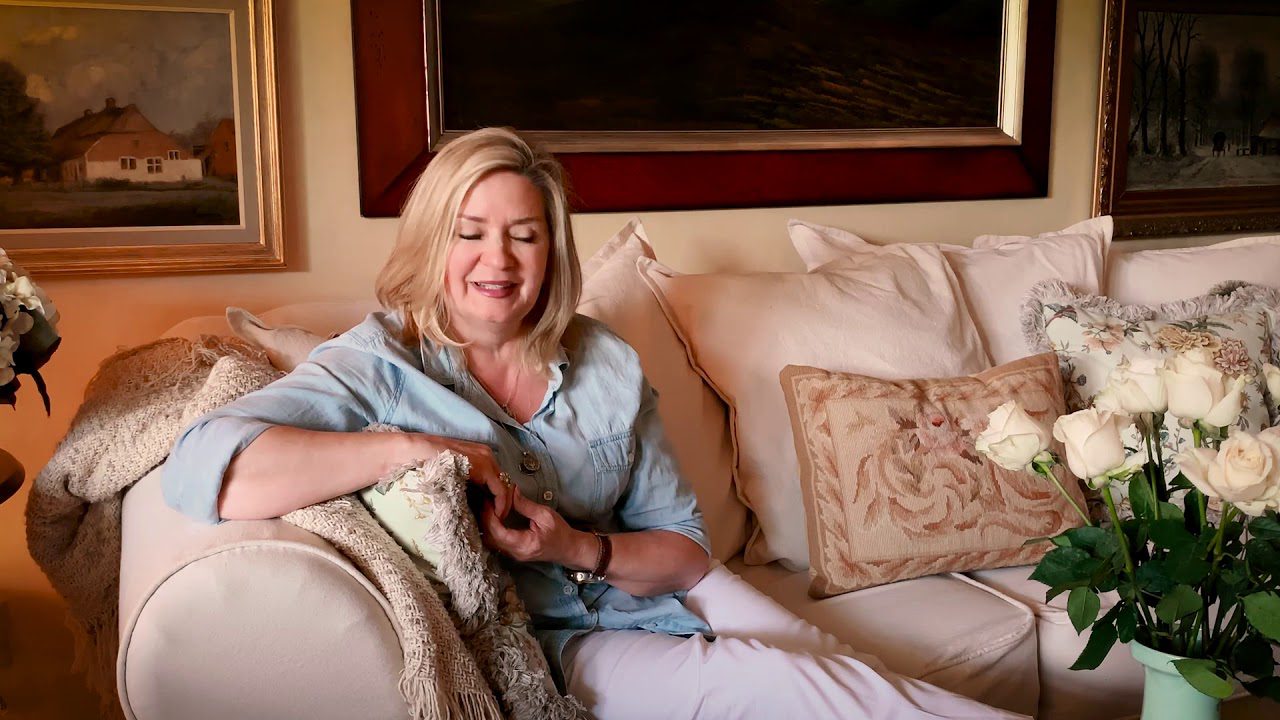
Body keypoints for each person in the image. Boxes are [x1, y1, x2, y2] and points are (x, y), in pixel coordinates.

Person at [163, 127, 1027, 719]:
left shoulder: (605, 359)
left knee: (853, 680)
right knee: (793, 688)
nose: (498, 260)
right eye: (470, 232)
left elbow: (684, 550)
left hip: (664, 588)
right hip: (567, 644)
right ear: (433, 244)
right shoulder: (378, 365)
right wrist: (418, 446)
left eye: (524, 235)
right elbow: (203, 466)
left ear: (552, 252)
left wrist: (573, 545)